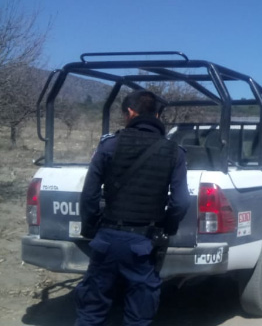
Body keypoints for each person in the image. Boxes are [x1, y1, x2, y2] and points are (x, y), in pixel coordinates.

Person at [75, 90, 190, 326]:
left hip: (106, 239)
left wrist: (91, 228)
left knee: (91, 312)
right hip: (144, 243)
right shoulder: (174, 153)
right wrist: (166, 227)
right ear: (158, 115)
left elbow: (89, 195)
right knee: (138, 316)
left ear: (129, 112)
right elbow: (180, 201)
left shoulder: (109, 146)